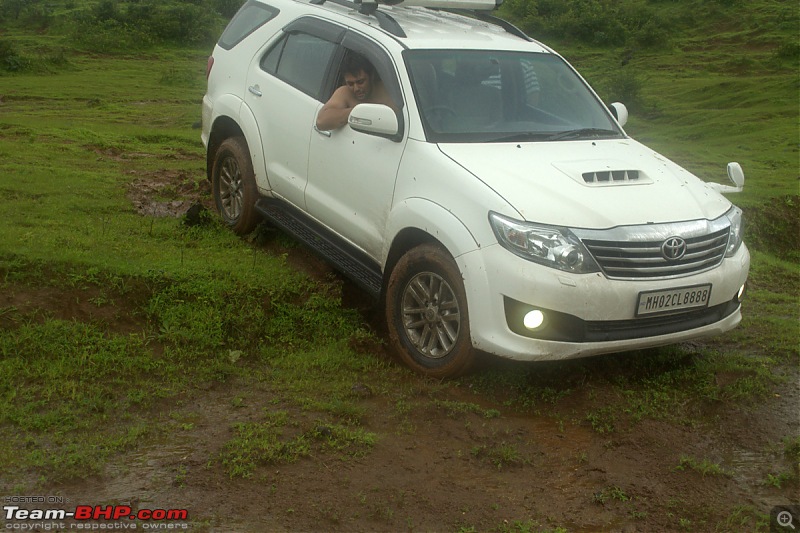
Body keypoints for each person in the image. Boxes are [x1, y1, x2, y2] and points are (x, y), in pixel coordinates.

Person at [315, 52, 396, 131]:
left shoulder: (389, 93)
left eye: (360, 82)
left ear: (371, 76)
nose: (356, 88)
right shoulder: (344, 93)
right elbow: (321, 121)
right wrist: (358, 112)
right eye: (350, 84)